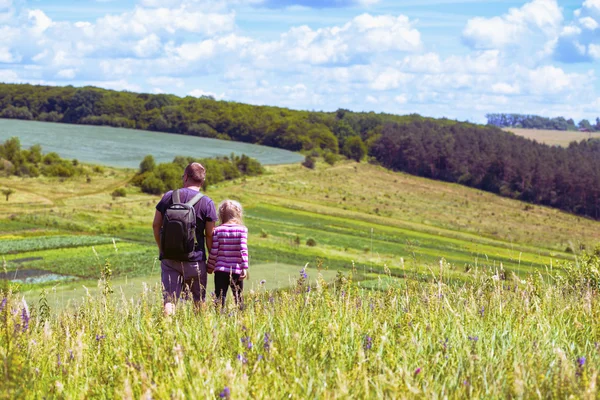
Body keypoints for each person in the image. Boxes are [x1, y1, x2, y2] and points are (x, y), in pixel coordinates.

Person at [152, 162, 217, 315]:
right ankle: (200, 332)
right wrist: (211, 258)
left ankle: (167, 333)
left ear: (186, 176)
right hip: (195, 260)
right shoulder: (207, 202)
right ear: (202, 181)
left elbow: (156, 225)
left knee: (169, 300)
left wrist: (162, 249)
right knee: (198, 300)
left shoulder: (169, 196)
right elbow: (209, 234)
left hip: (170, 259)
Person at [207, 199, 249, 308]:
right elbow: (243, 250)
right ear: (239, 213)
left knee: (219, 298)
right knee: (238, 297)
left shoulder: (217, 230)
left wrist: (210, 266)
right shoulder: (242, 230)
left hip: (220, 271)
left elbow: (214, 251)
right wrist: (244, 267)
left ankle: (218, 319)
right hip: (236, 270)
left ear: (221, 215)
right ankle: (241, 319)